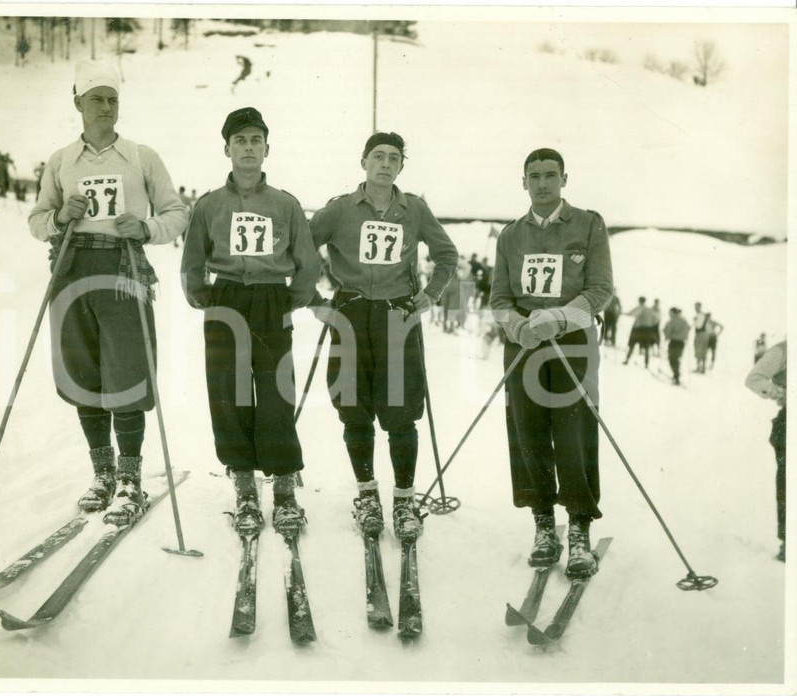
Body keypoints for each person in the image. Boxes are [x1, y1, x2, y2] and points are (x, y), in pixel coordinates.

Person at [28, 60, 188, 525]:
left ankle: (130, 479)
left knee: (128, 372)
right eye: (96, 98)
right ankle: (103, 472)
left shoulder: (141, 156)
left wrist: (146, 226)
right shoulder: (61, 161)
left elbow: (177, 211)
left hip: (122, 269)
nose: (106, 107)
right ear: (77, 103)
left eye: (112, 99)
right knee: (84, 372)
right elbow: (38, 220)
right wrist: (60, 218)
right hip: (73, 270)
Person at [308, 131, 458, 543]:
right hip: (351, 312)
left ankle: (405, 500)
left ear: (401, 166)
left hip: (398, 314)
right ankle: (367, 495)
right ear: (364, 162)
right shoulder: (340, 209)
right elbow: (301, 246)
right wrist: (312, 297)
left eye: (394, 157)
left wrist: (430, 295)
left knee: (401, 411)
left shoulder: (415, 209)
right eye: (378, 156)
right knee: (354, 408)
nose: (386, 163)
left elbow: (446, 254)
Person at [180, 107, 318, 539]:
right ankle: (242, 482)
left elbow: (308, 263)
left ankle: (283, 487)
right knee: (227, 388)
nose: (248, 148)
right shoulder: (209, 204)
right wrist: (203, 296)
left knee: (276, 388)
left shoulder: (285, 203)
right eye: (240, 141)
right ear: (227, 149)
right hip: (226, 298)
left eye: (256, 140)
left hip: (271, 296)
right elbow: (193, 261)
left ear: (267, 149)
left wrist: (290, 299)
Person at [490, 147, 613, 579]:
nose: (542, 183)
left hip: (572, 339)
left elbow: (600, 291)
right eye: (534, 176)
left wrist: (560, 316)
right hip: (525, 344)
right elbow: (500, 300)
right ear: (523, 182)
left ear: (564, 179)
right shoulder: (510, 236)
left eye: (550, 175)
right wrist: (515, 325)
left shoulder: (588, 224)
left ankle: (578, 526)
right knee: (528, 430)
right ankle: (544, 522)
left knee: (574, 430)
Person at [744, 340, 786, 562]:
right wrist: (780, 393)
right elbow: (754, 379)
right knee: (789, 482)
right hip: (790, 422)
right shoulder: (783, 350)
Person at [623, 296, 659, 368]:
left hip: (639, 329)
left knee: (632, 345)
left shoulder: (640, 308)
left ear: (639, 301)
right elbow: (656, 319)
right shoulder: (650, 310)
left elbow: (632, 313)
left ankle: (627, 359)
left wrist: (624, 313)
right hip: (648, 330)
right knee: (646, 347)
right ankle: (646, 364)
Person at [662, 307, 690, 385]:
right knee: (676, 358)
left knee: (672, 359)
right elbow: (688, 329)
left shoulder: (672, 321)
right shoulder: (684, 320)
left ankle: (676, 375)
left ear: (674, 313)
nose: (669, 315)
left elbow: (666, 330)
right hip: (681, 342)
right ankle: (676, 375)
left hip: (674, 341)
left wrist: (667, 336)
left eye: (670, 313)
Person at [692, 302, 710, 373]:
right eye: (695, 307)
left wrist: (694, 320)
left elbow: (698, 326)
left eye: (697, 307)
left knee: (699, 350)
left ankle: (699, 368)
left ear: (700, 307)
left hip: (700, 334)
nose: (695, 308)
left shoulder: (700, 315)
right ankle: (702, 368)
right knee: (703, 351)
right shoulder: (703, 315)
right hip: (704, 334)